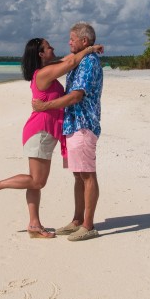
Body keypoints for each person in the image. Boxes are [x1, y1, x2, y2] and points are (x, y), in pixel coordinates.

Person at [0, 36, 103, 238]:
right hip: (41, 131)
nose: (53, 48)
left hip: (47, 131)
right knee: (37, 181)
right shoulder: (43, 73)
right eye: (48, 47)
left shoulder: (49, 68)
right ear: (41, 54)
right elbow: (71, 62)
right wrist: (89, 50)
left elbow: (70, 58)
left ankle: (34, 225)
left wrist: (90, 48)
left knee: (34, 180)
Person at [31, 22, 103, 241]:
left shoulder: (88, 62)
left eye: (72, 39)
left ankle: (88, 225)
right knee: (78, 175)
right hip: (72, 123)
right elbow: (65, 62)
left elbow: (76, 96)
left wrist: (45, 107)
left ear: (83, 40)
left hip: (83, 123)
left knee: (87, 175)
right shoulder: (80, 59)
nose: (68, 42)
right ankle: (77, 221)